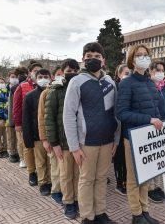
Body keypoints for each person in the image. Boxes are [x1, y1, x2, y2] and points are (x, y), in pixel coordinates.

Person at [63, 42, 120, 224]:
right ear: (83, 59)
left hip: (107, 141)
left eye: (97, 56)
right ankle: (87, 216)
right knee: (87, 179)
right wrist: (74, 147)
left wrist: (116, 140)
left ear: (103, 60)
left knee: (101, 178)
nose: (93, 59)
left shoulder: (110, 82)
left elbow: (116, 113)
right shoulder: (76, 81)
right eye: (89, 56)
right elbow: (68, 115)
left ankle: (100, 213)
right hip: (86, 142)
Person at [117, 43, 161, 224]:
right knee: (135, 178)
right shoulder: (127, 83)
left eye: (146, 54)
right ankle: (136, 214)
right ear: (132, 60)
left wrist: (159, 123)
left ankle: (145, 210)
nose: (143, 57)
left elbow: (155, 109)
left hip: (149, 137)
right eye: (139, 55)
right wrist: (148, 120)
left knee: (147, 175)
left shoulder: (151, 83)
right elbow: (121, 113)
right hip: (134, 137)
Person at [45, 58, 80, 219]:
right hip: (63, 142)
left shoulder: (81, 88)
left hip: (80, 141)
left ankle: (77, 200)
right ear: (61, 72)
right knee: (66, 174)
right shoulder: (55, 91)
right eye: (68, 71)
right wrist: (54, 143)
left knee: (79, 174)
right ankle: (68, 202)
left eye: (75, 71)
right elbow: (49, 119)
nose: (72, 74)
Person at [37, 66, 65, 204]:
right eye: (59, 74)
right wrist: (45, 139)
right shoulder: (47, 93)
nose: (62, 76)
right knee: (56, 166)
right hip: (53, 137)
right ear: (53, 76)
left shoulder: (71, 90)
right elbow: (42, 118)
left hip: (67, 138)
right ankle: (56, 191)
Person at [23, 69, 52, 196]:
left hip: (52, 133)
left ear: (50, 78)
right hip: (37, 134)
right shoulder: (30, 96)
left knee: (51, 161)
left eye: (46, 76)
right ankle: (42, 182)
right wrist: (28, 138)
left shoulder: (54, 93)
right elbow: (27, 119)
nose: (43, 79)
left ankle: (51, 181)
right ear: (35, 79)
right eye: (40, 76)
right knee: (40, 161)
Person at [13, 60, 42, 186]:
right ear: (30, 73)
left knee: (42, 149)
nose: (37, 74)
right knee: (28, 148)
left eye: (40, 71)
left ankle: (42, 172)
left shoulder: (48, 86)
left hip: (41, 124)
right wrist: (18, 123)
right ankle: (31, 173)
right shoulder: (22, 87)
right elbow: (17, 106)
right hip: (28, 123)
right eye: (35, 71)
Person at [147, 60, 165, 203]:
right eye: (157, 70)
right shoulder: (148, 86)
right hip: (153, 127)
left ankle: (157, 186)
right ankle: (150, 188)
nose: (160, 73)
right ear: (150, 71)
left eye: (162, 70)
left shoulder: (164, 88)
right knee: (153, 159)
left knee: (161, 159)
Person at [113, 64, 129, 197]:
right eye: (126, 73)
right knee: (119, 158)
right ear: (119, 75)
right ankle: (120, 183)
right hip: (118, 128)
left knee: (127, 159)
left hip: (129, 128)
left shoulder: (132, 88)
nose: (128, 76)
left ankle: (127, 181)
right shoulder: (115, 88)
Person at [0, 70, 19, 163]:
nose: (14, 79)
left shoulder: (19, 88)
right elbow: (0, 105)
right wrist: (1, 118)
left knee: (18, 137)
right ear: (8, 78)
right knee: (10, 136)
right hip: (8, 117)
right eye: (12, 77)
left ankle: (18, 152)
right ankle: (12, 153)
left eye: (16, 77)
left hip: (17, 116)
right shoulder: (4, 90)